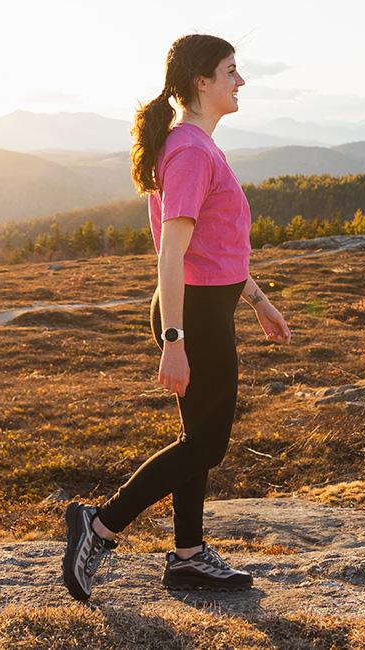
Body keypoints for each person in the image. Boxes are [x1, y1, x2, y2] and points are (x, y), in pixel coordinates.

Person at [62, 33, 291, 602]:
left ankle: (188, 555)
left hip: (207, 308)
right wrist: (174, 337)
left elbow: (218, 248)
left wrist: (258, 301)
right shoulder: (190, 150)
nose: (241, 82)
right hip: (193, 314)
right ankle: (99, 526)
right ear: (201, 82)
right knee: (207, 445)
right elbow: (170, 251)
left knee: (199, 437)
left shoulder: (197, 145)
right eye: (231, 71)